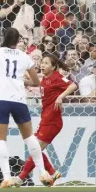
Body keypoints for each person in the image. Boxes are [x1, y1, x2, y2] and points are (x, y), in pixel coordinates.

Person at [0, 27, 52, 188]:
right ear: (18, 41)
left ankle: (7, 177)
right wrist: (21, 82)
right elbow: (36, 82)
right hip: (20, 100)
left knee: (0, 140)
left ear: (3, 37)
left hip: (1, 99)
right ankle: (43, 173)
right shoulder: (24, 56)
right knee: (29, 138)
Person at [14, 54, 78, 187]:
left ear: (53, 66)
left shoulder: (57, 77)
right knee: (35, 149)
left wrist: (61, 96)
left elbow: (74, 85)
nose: (42, 65)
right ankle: (52, 173)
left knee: (34, 148)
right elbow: (33, 83)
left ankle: (20, 178)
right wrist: (18, 79)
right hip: (46, 119)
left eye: (46, 63)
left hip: (53, 121)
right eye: (42, 63)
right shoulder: (44, 79)